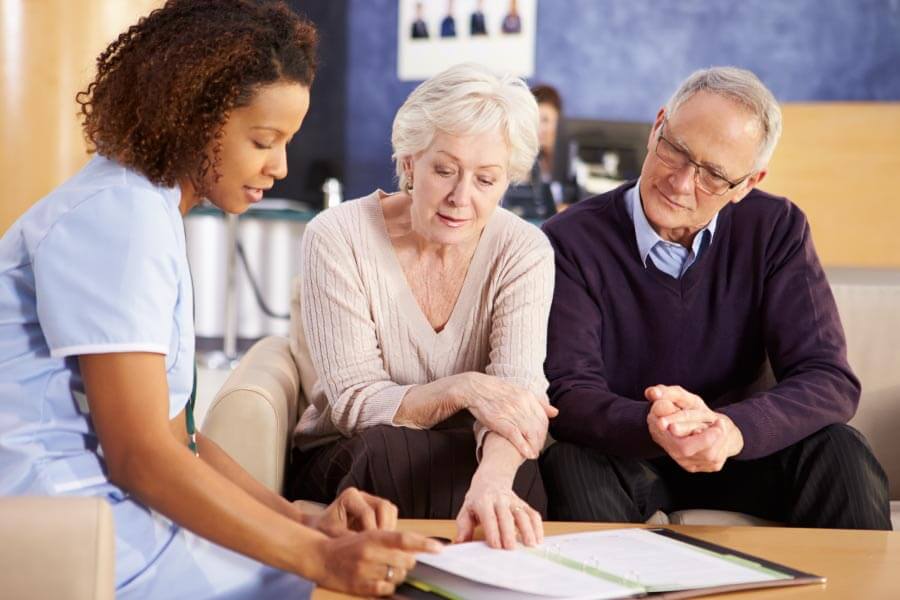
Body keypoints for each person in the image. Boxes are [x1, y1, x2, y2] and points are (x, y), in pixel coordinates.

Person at [0, 2, 439, 599]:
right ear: (191, 117)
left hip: (104, 510)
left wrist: (304, 522)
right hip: (66, 524)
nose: (280, 165)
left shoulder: (142, 208)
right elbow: (142, 458)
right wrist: (318, 558)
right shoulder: (117, 219)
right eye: (264, 140)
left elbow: (178, 438)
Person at [539, 66, 892, 530]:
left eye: (714, 175)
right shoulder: (570, 239)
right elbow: (569, 391)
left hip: (743, 452)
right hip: (628, 452)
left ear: (748, 183)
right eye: (677, 150)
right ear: (657, 126)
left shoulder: (776, 228)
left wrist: (731, 429)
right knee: (569, 462)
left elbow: (827, 378)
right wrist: (657, 424)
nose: (682, 182)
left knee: (841, 450)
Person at [287, 63, 557, 550]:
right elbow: (353, 405)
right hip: (356, 449)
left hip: (470, 452)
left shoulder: (524, 250)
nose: (461, 198)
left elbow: (519, 398)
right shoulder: (337, 236)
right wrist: (465, 389)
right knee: (389, 454)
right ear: (410, 163)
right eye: (444, 170)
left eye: (486, 180)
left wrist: (494, 481)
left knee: (516, 480)